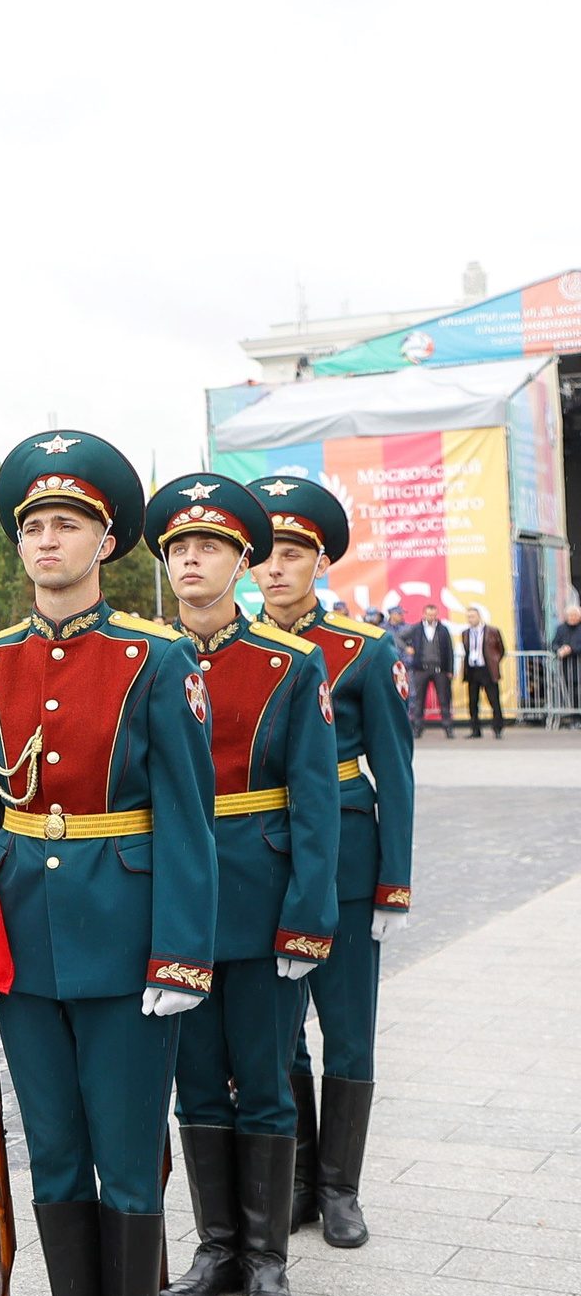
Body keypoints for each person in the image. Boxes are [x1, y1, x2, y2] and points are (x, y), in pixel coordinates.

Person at [0, 431, 216, 1296]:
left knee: (123, 1146)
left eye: (66, 524)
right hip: (22, 941)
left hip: (129, 938)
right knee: (54, 1151)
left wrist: (182, 953)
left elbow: (188, 816)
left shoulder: (152, 658)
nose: (47, 541)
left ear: (104, 540)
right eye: (33, 527)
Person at [143, 476, 337, 1296]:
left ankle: (266, 1258)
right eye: (178, 548)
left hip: (259, 898)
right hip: (173, 903)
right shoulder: (144, 659)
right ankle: (216, 1244)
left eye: (209, 547)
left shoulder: (291, 663)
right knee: (193, 1083)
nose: (191, 559)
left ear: (242, 562)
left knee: (262, 1078)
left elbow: (315, 805)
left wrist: (308, 916)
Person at [252, 474, 415, 1249]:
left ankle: (341, 1189)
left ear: (320, 561)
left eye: (292, 554)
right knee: (280, 1036)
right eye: (265, 555)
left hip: (348, 860)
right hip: (265, 865)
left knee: (347, 1030)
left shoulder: (363, 650)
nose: (275, 570)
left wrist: (394, 882)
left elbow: (397, 772)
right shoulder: (235, 651)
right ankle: (298, 1180)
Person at [397, 601, 455, 739]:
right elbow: (398, 637)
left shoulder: (443, 629)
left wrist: (450, 669)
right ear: (424, 614)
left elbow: (449, 650)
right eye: (429, 614)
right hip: (420, 669)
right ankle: (418, 728)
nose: (431, 617)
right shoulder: (416, 628)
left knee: (444, 699)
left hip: (439, 669)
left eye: (433, 615)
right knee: (419, 700)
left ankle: (448, 727)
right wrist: (406, 648)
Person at [460, 604, 506, 738]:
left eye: (473, 616)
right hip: (472, 670)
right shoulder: (465, 633)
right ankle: (475, 729)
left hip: (487, 669)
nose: (470, 619)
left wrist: (494, 661)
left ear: (479, 617)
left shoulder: (492, 631)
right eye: (468, 617)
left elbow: (501, 649)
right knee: (473, 702)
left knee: (494, 700)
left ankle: (497, 728)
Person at [555, 603, 581, 717]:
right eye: (570, 615)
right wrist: (559, 650)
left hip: (578, 664)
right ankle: (575, 717)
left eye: (575, 615)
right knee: (571, 692)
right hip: (566, 667)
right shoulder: (561, 629)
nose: (572, 618)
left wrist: (571, 649)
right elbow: (554, 644)